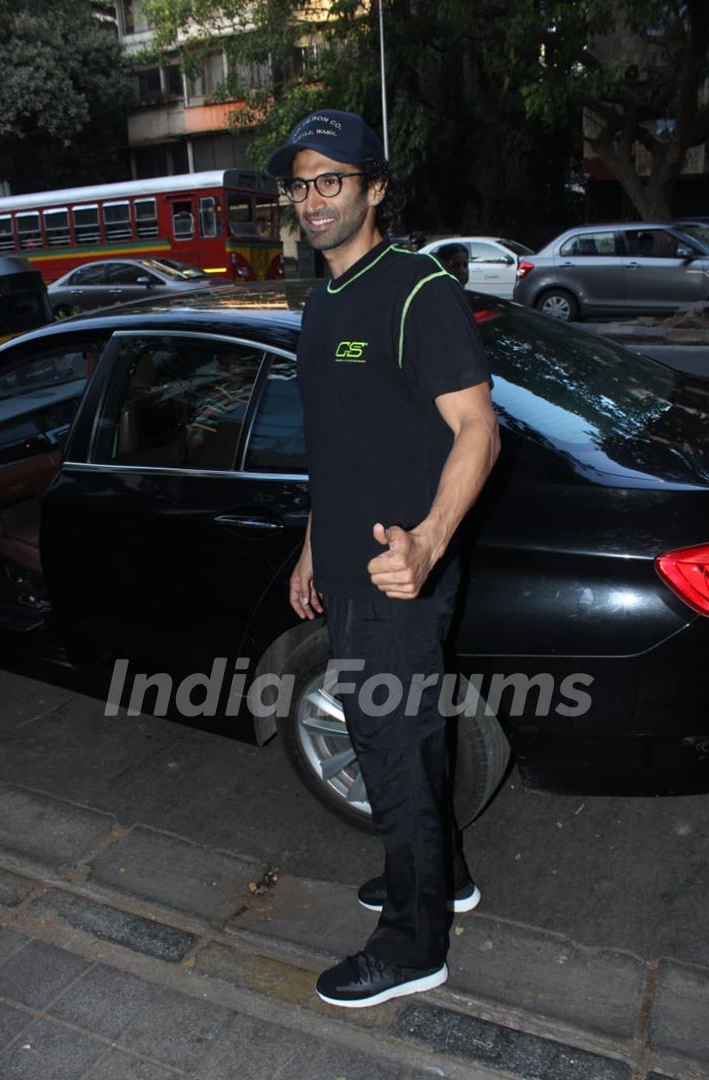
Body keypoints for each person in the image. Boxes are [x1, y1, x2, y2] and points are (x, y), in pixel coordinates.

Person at [266, 109, 499, 1009]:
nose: (314, 198)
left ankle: (414, 941)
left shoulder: (415, 289)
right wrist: (312, 544)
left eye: (333, 179)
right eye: (301, 182)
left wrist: (430, 542)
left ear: (374, 188)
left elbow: (478, 429)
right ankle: (444, 878)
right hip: (349, 566)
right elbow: (340, 444)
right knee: (410, 738)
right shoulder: (322, 300)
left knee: (390, 746)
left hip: (401, 577)